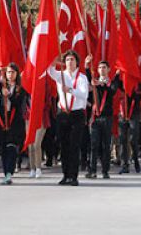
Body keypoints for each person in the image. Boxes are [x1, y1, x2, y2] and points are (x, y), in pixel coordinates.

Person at [47, 50, 89, 186]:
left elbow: (84, 95)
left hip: (77, 114)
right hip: (63, 113)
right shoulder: (61, 75)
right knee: (64, 145)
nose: (70, 62)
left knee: (74, 145)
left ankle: (74, 176)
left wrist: (70, 90)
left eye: (72, 59)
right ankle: (65, 175)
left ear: (77, 62)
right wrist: (54, 60)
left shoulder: (82, 78)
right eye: (67, 60)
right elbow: (49, 70)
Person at [0, 64, 27, 185]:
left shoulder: (20, 89)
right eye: (8, 72)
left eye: (13, 72)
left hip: (14, 122)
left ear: (17, 74)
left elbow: (18, 103)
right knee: (4, 149)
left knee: (11, 148)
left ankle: (9, 173)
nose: (10, 75)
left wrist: (9, 96)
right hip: (2, 121)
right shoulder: (2, 86)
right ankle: (6, 172)